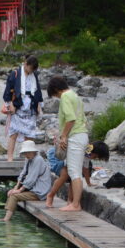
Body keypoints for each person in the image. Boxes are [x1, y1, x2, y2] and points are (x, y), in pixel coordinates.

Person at [48, 76, 88, 211]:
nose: (57, 98)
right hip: (81, 135)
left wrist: (63, 136)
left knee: (74, 172)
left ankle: (76, 205)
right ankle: (72, 202)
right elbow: (83, 119)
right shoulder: (75, 96)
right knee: (73, 170)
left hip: (75, 136)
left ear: (56, 90)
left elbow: (70, 119)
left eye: (55, 95)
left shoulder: (65, 97)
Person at [2, 55, 44, 162]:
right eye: (30, 68)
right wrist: (10, 103)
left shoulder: (34, 75)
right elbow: (9, 90)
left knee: (29, 135)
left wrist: (39, 104)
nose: (31, 71)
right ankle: (10, 157)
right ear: (25, 64)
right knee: (13, 133)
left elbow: (38, 90)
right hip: (18, 106)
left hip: (30, 107)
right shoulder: (15, 74)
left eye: (33, 70)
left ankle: (28, 158)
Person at [2, 140, 51, 221]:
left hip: (39, 192)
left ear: (33, 151)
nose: (26, 154)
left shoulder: (38, 159)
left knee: (14, 196)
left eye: (28, 152)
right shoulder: (28, 159)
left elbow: (31, 179)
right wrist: (15, 188)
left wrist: (20, 190)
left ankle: (6, 219)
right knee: (12, 193)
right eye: (25, 153)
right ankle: (7, 216)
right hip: (32, 190)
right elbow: (23, 174)